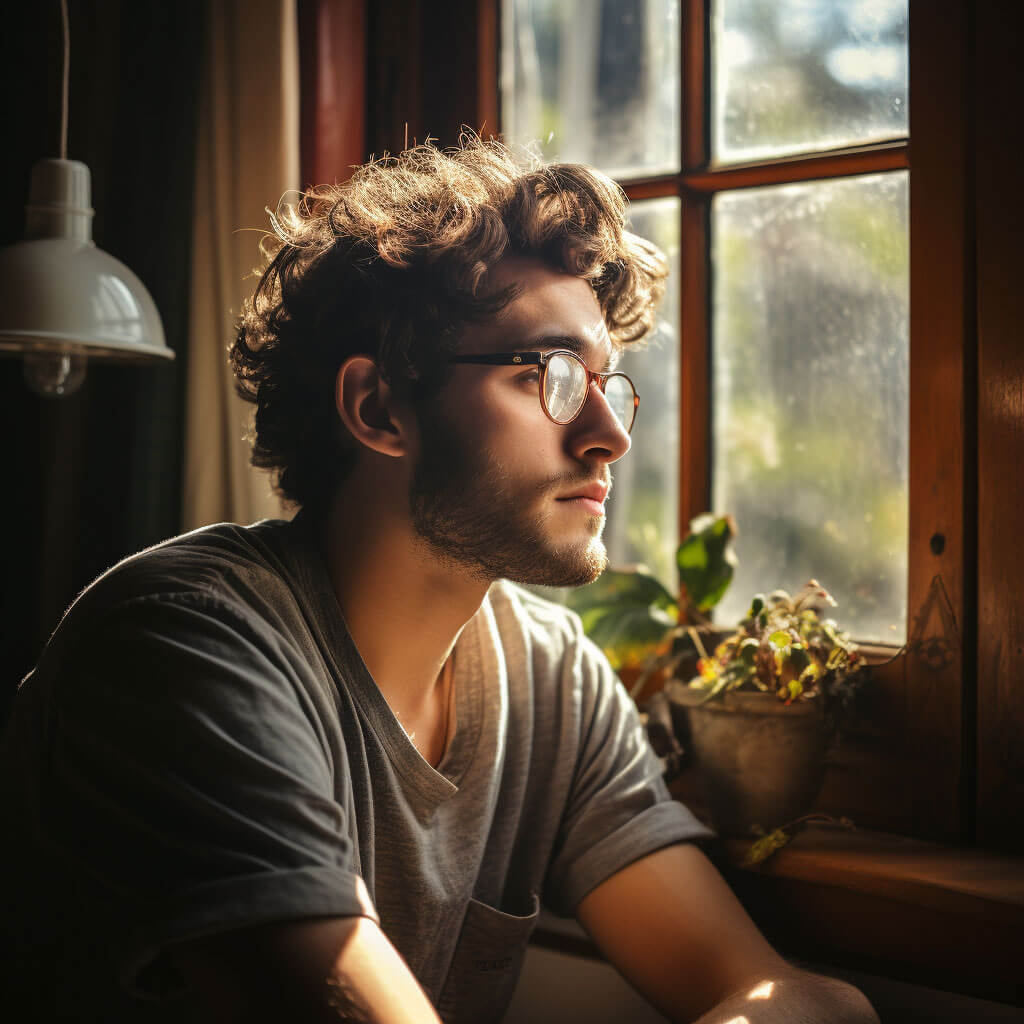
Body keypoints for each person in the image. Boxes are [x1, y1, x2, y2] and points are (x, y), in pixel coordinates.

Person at [0, 137, 878, 1024]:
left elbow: (777, 994)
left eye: (607, 379)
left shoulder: (551, 679)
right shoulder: (183, 646)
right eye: (552, 374)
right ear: (380, 408)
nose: (609, 432)